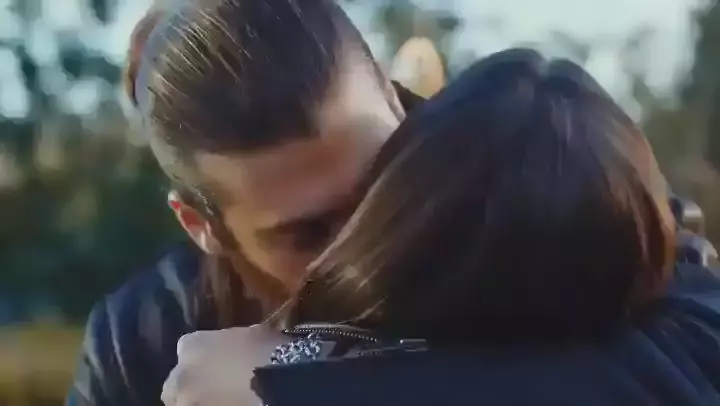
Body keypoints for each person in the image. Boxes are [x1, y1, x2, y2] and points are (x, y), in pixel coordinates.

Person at [163, 49, 720, 406]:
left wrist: (283, 378)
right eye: (306, 231)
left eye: (371, 200)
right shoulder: (152, 326)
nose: (351, 240)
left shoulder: (672, 296)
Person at [65, 0, 425, 405]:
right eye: (310, 234)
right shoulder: (139, 344)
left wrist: (297, 383)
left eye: (381, 186)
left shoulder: (489, 188)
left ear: (395, 101)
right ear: (200, 226)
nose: (371, 244)